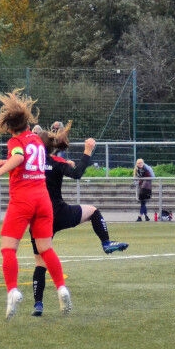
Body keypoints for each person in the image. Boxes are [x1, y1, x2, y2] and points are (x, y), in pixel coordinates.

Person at [0, 88, 71, 320]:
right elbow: (25, 160)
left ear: (10, 127)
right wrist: (5, 162)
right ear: (26, 122)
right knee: (46, 249)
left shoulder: (16, 141)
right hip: (43, 199)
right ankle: (62, 288)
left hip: (23, 199)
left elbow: (20, 157)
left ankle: (13, 291)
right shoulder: (37, 140)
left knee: (8, 249)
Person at [29, 122, 128, 316]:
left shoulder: (29, 165)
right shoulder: (57, 162)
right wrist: (87, 151)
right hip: (59, 213)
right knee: (93, 211)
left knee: (40, 263)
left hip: (38, 219)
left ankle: (38, 305)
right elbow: (77, 174)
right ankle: (106, 242)